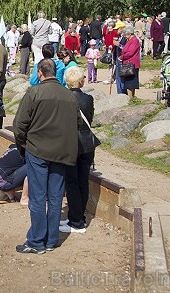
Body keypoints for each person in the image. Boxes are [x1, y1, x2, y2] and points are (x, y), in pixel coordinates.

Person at [13, 58, 79, 254]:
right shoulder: (69, 96)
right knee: (56, 196)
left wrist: (23, 145)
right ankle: (51, 240)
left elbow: (19, 125)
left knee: (38, 197)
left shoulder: (35, 92)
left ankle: (36, 241)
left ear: (40, 73)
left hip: (38, 150)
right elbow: (76, 124)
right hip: (61, 152)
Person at [62, 66, 96, 234]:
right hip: (87, 143)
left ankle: (76, 221)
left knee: (72, 182)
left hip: (72, 142)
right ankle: (78, 217)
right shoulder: (88, 98)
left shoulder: (65, 98)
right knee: (83, 181)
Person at [117, 25, 140, 97]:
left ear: (130, 34)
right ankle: (131, 97)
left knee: (130, 83)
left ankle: (130, 97)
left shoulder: (134, 40)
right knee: (128, 82)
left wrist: (122, 57)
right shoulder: (130, 40)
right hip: (127, 63)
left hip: (131, 64)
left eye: (126, 34)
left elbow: (131, 52)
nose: (125, 36)